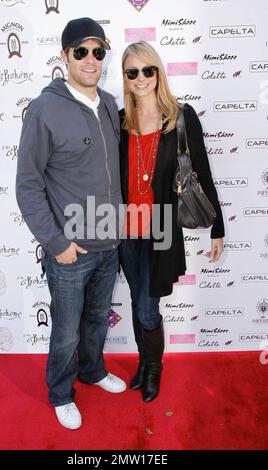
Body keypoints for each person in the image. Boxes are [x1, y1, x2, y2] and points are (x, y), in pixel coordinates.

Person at [16, 17, 126, 430]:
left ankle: (92, 370)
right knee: (65, 330)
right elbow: (27, 184)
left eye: (98, 51)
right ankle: (61, 392)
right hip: (69, 251)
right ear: (64, 57)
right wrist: (54, 240)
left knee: (97, 319)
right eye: (81, 51)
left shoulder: (111, 104)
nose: (91, 59)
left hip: (109, 244)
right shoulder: (45, 109)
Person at [118, 41, 225, 402]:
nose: (141, 78)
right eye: (132, 72)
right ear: (125, 77)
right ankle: (143, 364)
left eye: (148, 70)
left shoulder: (181, 116)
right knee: (136, 300)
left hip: (162, 226)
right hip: (124, 228)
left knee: (148, 306)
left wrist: (218, 226)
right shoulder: (120, 121)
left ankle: (154, 369)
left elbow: (203, 174)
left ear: (158, 71)